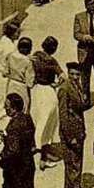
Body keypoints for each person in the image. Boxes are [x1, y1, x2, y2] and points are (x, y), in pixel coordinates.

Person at [58, 62, 86, 188]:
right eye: (73, 74)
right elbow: (63, 115)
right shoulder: (64, 88)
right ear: (68, 73)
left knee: (77, 166)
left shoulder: (77, 86)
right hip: (71, 134)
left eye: (77, 74)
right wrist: (70, 137)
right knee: (73, 168)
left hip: (79, 131)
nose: (75, 77)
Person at [30, 36, 64, 168]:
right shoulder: (52, 61)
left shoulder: (36, 56)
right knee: (48, 124)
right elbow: (63, 77)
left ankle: (34, 147)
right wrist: (56, 85)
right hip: (48, 92)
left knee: (37, 120)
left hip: (36, 90)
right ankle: (43, 157)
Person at [0, 20, 21, 143]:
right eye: (17, 32)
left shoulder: (3, 40)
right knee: (3, 103)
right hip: (5, 78)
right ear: (12, 33)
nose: (19, 34)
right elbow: (14, 62)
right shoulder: (10, 48)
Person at [4, 36, 36, 113]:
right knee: (22, 109)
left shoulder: (10, 55)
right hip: (22, 87)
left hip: (11, 84)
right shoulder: (28, 62)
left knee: (10, 107)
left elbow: (5, 73)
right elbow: (30, 83)